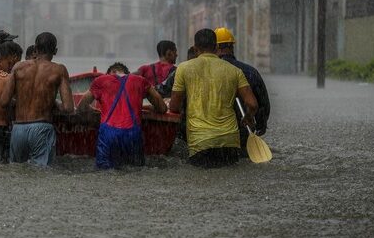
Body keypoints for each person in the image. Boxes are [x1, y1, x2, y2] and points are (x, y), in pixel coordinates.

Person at [169, 29, 258, 168]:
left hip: (200, 143)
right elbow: (252, 104)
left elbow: (174, 106)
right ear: (216, 48)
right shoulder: (234, 70)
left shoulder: (183, 68)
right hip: (230, 143)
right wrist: (248, 118)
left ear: (195, 48)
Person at [1, 32, 74, 166]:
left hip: (18, 130)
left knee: (17, 172)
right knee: (41, 176)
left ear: (35, 49)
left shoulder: (18, 67)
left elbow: (4, 101)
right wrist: (54, 102)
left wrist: (23, 101)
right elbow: (68, 108)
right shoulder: (59, 70)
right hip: (42, 128)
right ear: (55, 50)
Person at [77, 62, 167, 169]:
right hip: (133, 134)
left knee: (104, 172)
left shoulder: (101, 81)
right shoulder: (140, 81)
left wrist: (96, 112)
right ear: (128, 73)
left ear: (108, 74)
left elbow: (81, 107)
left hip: (108, 134)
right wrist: (145, 107)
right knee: (135, 171)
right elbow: (162, 108)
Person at [214, 27, 271, 156]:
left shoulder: (206, 73)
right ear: (232, 47)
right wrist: (261, 124)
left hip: (213, 134)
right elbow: (262, 103)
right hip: (243, 131)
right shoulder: (250, 72)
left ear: (215, 47)